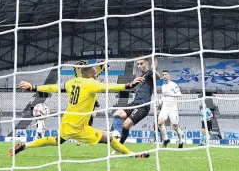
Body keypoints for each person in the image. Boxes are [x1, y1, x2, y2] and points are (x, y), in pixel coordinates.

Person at [8, 64, 149, 158]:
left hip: (67, 121)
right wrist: (128, 85)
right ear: (88, 74)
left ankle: (25, 145)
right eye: (94, 72)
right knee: (110, 139)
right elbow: (109, 87)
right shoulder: (91, 83)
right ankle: (132, 154)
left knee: (56, 140)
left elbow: (53, 87)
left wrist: (33, 87)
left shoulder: (71, 82)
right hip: (79, 127)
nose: (96, 74)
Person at [111, 58, 161, 147]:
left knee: (126, 125)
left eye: (141, 64)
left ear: (147, 63)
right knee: (117, 113)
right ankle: (116, 135)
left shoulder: (149, 73)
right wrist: (132, 83)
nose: (139, 66)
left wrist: (154, 70)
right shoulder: (140, 77)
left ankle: (118, 145)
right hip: (134, 103)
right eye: (138, 64)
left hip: (143, 106)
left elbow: (157, 77)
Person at [158, 70, 183, 148]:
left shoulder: (173, 84)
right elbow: (163, 96)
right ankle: (165, 139)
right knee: (160, 122)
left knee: (175, 126)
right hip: (165, 106)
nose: (164, 76)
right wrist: (160, 102)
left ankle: (180, 141)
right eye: (163, 74)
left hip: (172, 107)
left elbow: (179, 94)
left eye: (166, 74)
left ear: (169, 75)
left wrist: (171, 94)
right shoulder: (163, 86)